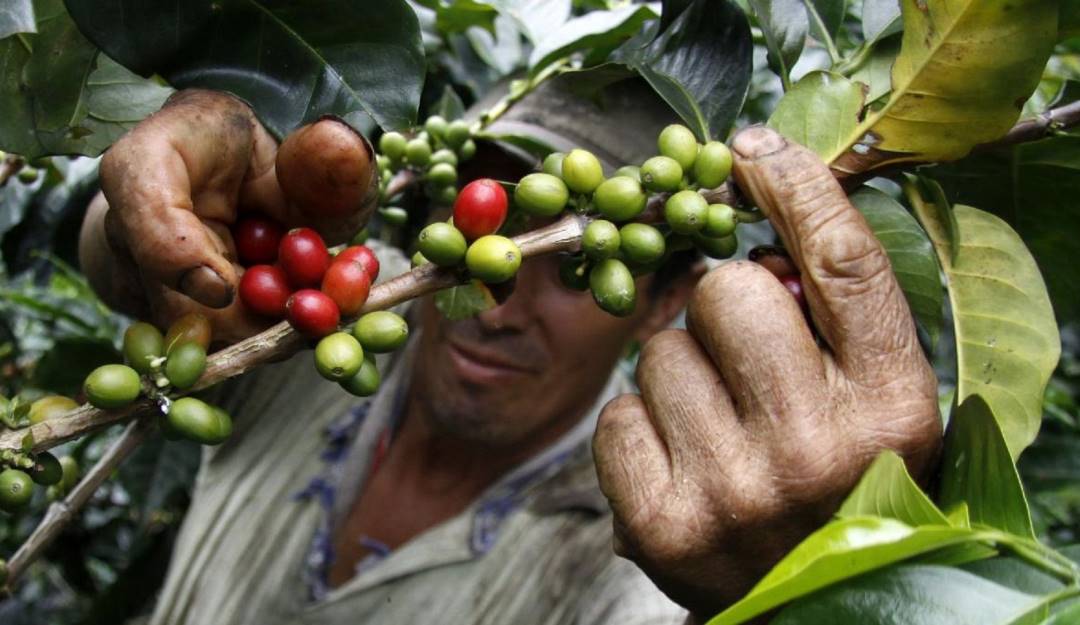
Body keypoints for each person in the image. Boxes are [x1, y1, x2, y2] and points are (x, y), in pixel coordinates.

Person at [77, 81, 941, 625]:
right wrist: (153, 224)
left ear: (665, 301)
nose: (496, 307)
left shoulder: (656, 561)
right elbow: (146, 278)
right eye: (480, 239)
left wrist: (786, 599)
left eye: (571, 268)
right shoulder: (292, 359)